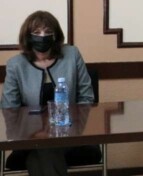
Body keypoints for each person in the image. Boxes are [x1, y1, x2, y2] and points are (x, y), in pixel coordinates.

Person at [0, 11, 101, 176]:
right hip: (30, 137)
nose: (42, 36)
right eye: (37, 32)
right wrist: (34, 134)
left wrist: (71, 127)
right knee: (44, 147)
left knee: (39, 156)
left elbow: (87, 97)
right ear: (28, 36)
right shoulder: (16, 65)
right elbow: (9, 108)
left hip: (70, 133)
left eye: (48, 32)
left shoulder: (72, 55)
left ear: (55, 35)